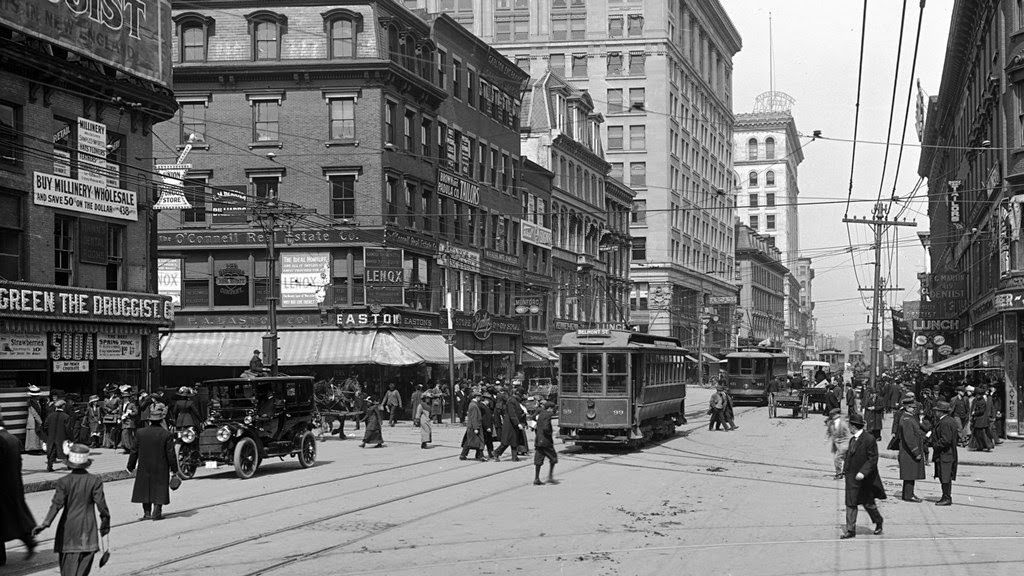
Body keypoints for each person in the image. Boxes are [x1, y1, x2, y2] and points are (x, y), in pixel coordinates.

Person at [32, 443, 110, 576]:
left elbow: (56, 504)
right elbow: (102, 506)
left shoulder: (64, 482)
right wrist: (105, 523)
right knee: (83, 571)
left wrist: (45, 523)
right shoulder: (94, 481)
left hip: (68, 531)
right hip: (88, 530)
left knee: (68, 570)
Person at [126, 404, 179, 520]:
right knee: (160, 487)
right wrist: (174, 470)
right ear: (161, 421)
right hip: (161, 465)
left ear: (150, 421)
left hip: (144, 465)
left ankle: (147, 513)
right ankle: (157, 511)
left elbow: (134, 451)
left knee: (145, 487)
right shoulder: (166, 434)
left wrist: (130, 466)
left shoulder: (140, 433)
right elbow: (171, 454)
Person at [840, 412, 885, 539]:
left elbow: (873, 459)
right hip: (851, 477)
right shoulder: (852, 439)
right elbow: (849, 457)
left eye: (850, 426)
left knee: (868, 503)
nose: (849, 428)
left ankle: (878, 521)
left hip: (865, 479)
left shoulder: (869, 439)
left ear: (854, 426)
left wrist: (863, 472)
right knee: (850, 503)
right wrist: (845, 471)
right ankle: (850, 530)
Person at [0, 414, 37, 567]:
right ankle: (29, 541)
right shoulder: (13, 439)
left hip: (2, 488)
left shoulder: (1, 441)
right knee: (14, 518)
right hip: (14, 485)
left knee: (6, 521)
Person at [896, 398, 926, 502]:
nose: (914, 409)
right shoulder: (907, 420)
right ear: (907, 407)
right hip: (909, 452)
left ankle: (907, 494)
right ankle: (909, 495)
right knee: (910, 473)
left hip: (908, 451)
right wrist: (916, 452)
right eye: (913, 408)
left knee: (910, 473)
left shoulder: (908, 417)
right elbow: (909, 438)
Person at [931, 400, 959, 506]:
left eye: (937, 411)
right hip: (947, 453)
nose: (935, 412)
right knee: (944, 476)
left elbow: (946, 440)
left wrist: (935, 445)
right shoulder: (949, 420)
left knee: (945, 476)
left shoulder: (945, 422)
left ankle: (946, 497)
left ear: (941, 411)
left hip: (945, 454)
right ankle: (945, 496)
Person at [494, 389, 523, 462]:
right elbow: (512, 413)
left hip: (512, 424)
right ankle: (496, 452)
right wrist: (517, 423)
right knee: (506, 441)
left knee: (514, 441)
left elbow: (518, 412)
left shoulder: (515, 401)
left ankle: (514, 457)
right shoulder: (511, 401)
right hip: (509, 424)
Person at [533, 401, 558, 486]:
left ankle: (536, 478)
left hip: (538, 440)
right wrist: (550, 433)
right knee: (553, 458)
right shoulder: (548, 415)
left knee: (538, 460)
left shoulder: (541, 413)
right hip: (545, 441)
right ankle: (550, 477)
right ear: (550, 408)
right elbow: (546, 427)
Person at [44, 399, 72, 472]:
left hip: (51, 437)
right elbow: (68, 429)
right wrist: (70, 438)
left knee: (51, 451)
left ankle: (49, 466)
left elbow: (45, 426)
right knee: (66, 451)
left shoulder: (50, 416)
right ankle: (69, 466)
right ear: (63, 406)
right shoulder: (66, 416)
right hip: (62, 437)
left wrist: (49, 434)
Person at [825, 408, 851, 479]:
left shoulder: (843, 424)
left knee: (837, 458)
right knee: (844, 458)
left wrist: (848, 444)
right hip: (836, 444)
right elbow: (829, 431)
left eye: (833, 416)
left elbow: (848, 434)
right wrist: (827, 438)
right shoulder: (831, 423)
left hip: (844, 444)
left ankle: (839, 474)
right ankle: (845, 471)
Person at [460, 392, 485, 461]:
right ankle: (480, 456)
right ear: (476, 397)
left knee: (469, 441)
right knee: (479, 441)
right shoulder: (474, 405)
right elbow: (474, 417)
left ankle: (463, 455)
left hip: (472, 426)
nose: (480, 398)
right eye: (479, 396)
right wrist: (476, 428)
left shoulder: (473, 404)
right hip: (474, 426)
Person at [25, 385, 45, 454]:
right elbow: (35, 414)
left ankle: (36, 449)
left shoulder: (35, 402)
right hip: (33, 422)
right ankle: (33, 450)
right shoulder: (32, 403)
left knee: (35, 436)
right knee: (33, 437)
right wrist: (40, 422)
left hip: (33, 421)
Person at [120, 389, 139, 454]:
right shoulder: (122, 405)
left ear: (128, 398)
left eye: (126, 397)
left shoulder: (131, 404)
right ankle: (127, 448)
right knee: (125, 435)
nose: (125, 399)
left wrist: (130, 413)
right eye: (124, 398)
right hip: (123, 422)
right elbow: (120, 413)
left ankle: (129, 448)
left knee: (126, 434)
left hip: (129, 422)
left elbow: (136, 412)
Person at [479, 391, 496, 460]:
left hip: (488, 427)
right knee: (484, 441)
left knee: (489, 442)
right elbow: (483, 418)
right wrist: (487, 427)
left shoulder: (486, 406)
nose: (489, 401)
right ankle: (480, 455)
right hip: (485, 427)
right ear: (485, 400)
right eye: (488, 400)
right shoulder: (482, 406)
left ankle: (491, 454)